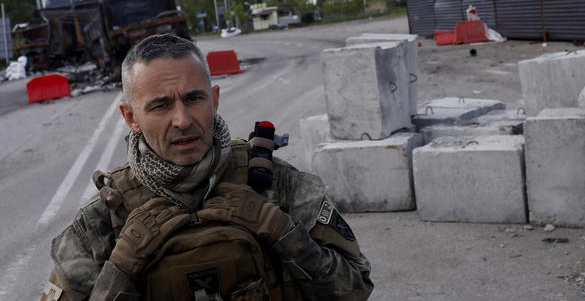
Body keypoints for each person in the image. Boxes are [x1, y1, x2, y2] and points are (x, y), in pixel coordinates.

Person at [41, 34, 373, 301]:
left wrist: (283, 233)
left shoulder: (273, 183)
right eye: (160, 106)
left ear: (214, 99)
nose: (182, 120)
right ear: (131, 117)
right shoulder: (103, 218)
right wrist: (121, 268)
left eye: (194, 99)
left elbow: (356, 287)